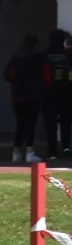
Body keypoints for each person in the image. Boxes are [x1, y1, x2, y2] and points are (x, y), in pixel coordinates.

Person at [5, 34, 48, 162]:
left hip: (17, 95)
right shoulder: (40, 58)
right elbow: (47, 77)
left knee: (20, 124)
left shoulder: (16, 57)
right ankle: (30, 152)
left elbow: (8, 75)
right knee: (31, 124)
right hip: (34, 95)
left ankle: (16, 152)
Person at [48, 30, 72, 161]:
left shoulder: (46, 56)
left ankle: (52, 151)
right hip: (67, 93)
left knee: (50, 124)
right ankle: (66, 148)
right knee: (66, 123)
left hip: (49, 94)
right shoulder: (68, 57)